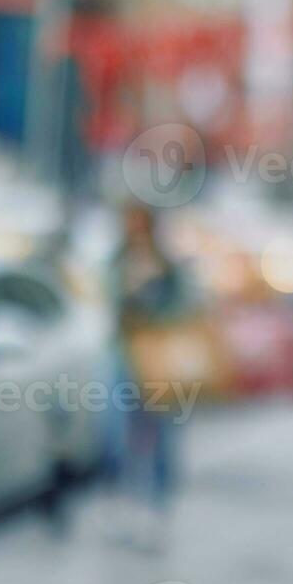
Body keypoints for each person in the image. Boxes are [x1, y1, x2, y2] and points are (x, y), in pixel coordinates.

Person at [108, 202, 192, 549]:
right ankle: (131, 506)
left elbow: (182, 306)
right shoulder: (119, 261)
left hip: (158, 358)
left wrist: (152, 298)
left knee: (161, 436)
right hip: (127, 357)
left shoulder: (167, 266)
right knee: (123, 434)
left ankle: (158, 511)